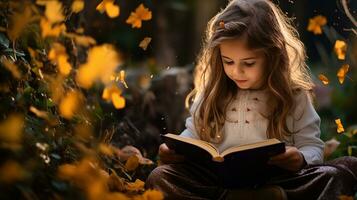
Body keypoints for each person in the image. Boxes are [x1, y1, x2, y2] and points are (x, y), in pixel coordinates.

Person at [145, 0, 357, 199]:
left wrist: (300, 158)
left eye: (248, 63)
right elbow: (193, 134)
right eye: (228, 61)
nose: (237, 71)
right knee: (160, 176)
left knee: (334, 175)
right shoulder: (211, 94)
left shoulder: (293, 96)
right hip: (216, 180)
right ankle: (244, 196)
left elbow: (312, 145)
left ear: (273, 56)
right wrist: (176, 150)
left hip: (280, 179)